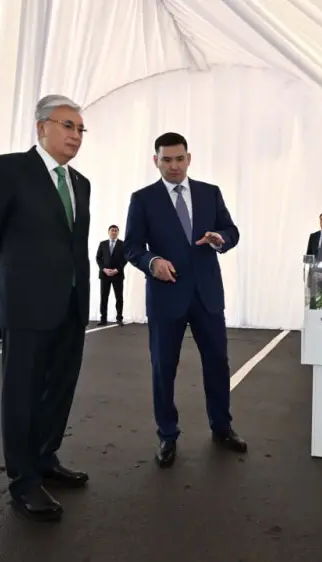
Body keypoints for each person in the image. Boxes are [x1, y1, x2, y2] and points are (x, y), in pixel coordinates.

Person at [0, 94, 91, 522]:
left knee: (60, 387)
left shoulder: (80, 183)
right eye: (67, 125)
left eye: (80, 129)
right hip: (25, 304)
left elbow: (74, 245)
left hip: (72, 304)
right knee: (22, 392)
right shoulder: (9, 169)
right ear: (42, 128)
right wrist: (5, 281)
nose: (76, 135)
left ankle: (45, 458)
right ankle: (23, 480)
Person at [124, 132, 247, 468]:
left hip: (207, 295)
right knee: (163, 367)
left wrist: (220, 238)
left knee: (218, 363)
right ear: (156, 161)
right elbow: (132, 247)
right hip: (166, 297)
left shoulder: (210, 193)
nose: (174, 166)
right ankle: (167, 434)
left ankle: (222, 427)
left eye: (179, 159)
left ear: (189, 158)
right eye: (166, 160)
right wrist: (152, 262)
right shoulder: (143, 199)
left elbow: (232, 231)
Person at [95, 225, 126, 326]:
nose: (114, 232)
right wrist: (104, 269)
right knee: (104, 297)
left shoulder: (122, 244)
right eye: (112, 230)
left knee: (119, 297)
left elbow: (125, 258)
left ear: (118, 232)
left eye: (116, 230)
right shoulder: (103, 244)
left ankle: (119, 318)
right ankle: (103, 319)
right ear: (108, 232)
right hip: (105, 275)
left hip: (117, 275)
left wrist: (117, 270)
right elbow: (98, 258)